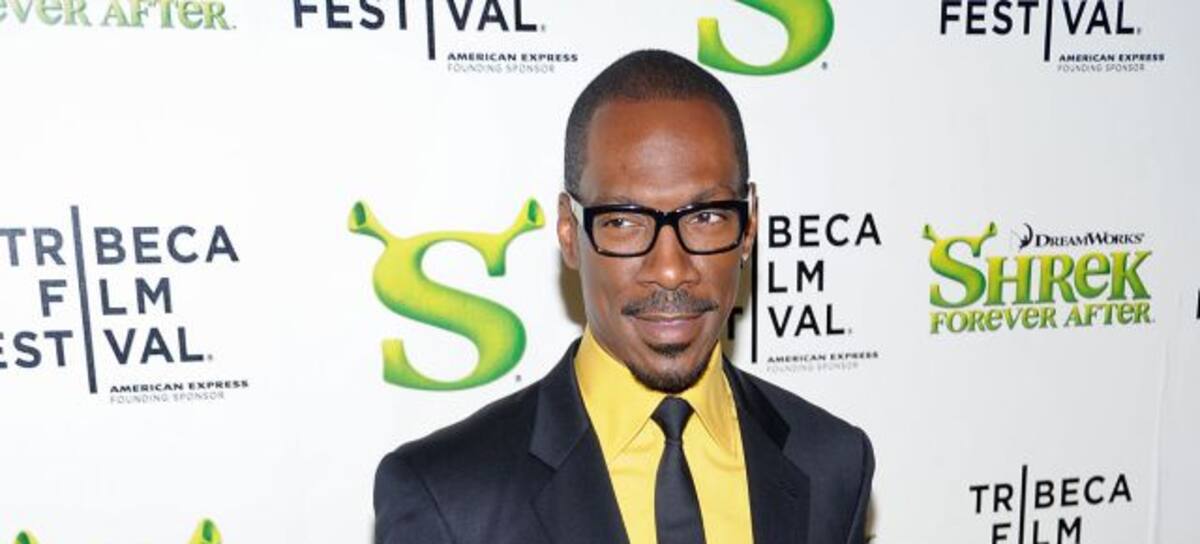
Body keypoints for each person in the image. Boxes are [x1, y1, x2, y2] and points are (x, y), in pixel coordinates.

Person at [373, 49, 874, 544]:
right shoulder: (448, 497)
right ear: (569, 232)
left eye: (706, 217)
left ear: (749, 226)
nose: (671, 271)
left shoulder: (832, 463)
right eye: (623, 222)